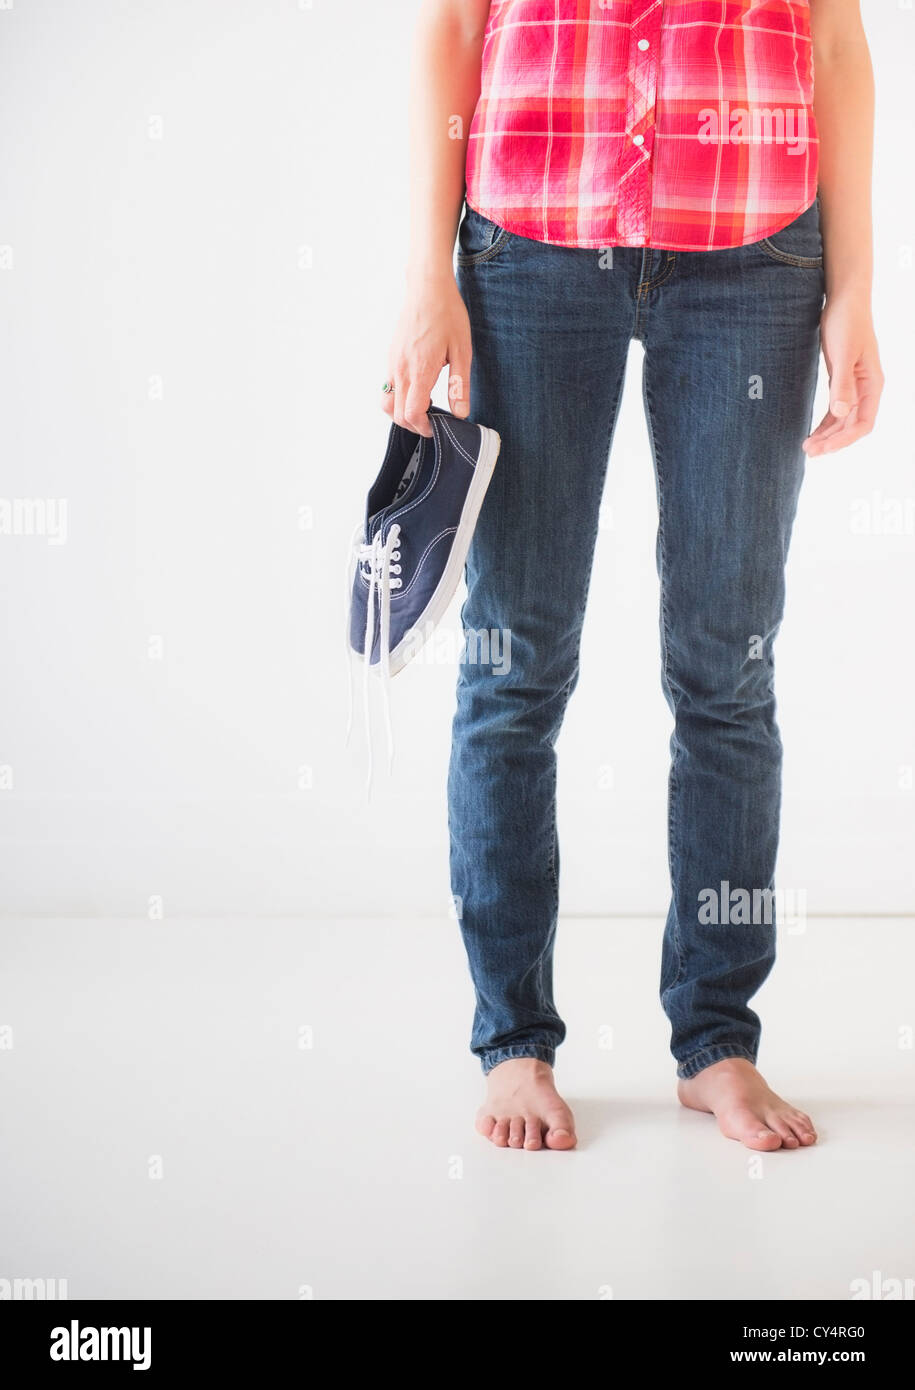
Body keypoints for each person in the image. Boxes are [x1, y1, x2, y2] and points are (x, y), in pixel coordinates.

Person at [382, 0, 883, 1152]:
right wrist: (427, 270)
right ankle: (513, 1039)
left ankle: (719, 1038)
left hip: (756, 249)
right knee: (516, 661)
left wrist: (854, 283)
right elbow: (455, 25)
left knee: (728, 665)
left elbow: (838, 38)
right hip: (530, 237)